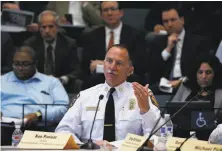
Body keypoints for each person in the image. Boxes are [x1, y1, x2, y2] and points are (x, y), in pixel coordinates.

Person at [55, 44, 164, 145]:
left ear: (130, 71)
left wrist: (146, 111)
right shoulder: (85, 96)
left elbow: (160, 136)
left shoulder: (142, 95)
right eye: (109, 61)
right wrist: (84, 147)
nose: (112, 67)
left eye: (119, 63)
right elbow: (63, 130)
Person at [147, 5, 211, 94]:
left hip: (188, 84)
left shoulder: (197, 42)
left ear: (182, 20)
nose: (169, 24)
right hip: (164, 85)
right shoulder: (158, 42)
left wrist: (181, 81)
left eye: (173, 20)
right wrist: (168, 49)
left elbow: (199, 69)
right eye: (166, 21)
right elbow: (153, 71)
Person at [81, 1, 146, 89]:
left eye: (113, 9)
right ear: (101, 14)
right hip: (98, 82)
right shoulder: (91, 36)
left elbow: (138, 64)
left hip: (127, 81)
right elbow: (86, 65)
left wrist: (102, 65)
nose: (109, 13)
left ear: (121, 12)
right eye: (105, 10)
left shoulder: (135, 35)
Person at [1, 46, 69, 128]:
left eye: (25, 64)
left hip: (40, 129)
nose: (20, 68)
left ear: (35, 64)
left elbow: (63, 108)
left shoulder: (51, 82)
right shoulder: (2, 81)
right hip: (4, 127)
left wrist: (39, 115)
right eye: (16, 63)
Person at [24, 10, 82, 93]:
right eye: (43, 27)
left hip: (62, 86)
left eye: (51, 26)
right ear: (39, 28)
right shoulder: (30, 45)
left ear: (57, 27)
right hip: (36, 86)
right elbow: (26, 69)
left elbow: (76, 70)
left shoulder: (69, 44)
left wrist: (62, 79)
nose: (47, 31)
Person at [172, 54, 222, 140]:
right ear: (195, 73)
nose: (203, 76)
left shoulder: (220, 91)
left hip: (211, 138)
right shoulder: (186, 87)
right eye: (200, 72)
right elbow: (172, 110)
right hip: (182, 136)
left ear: (215, 73)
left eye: (208, 72)